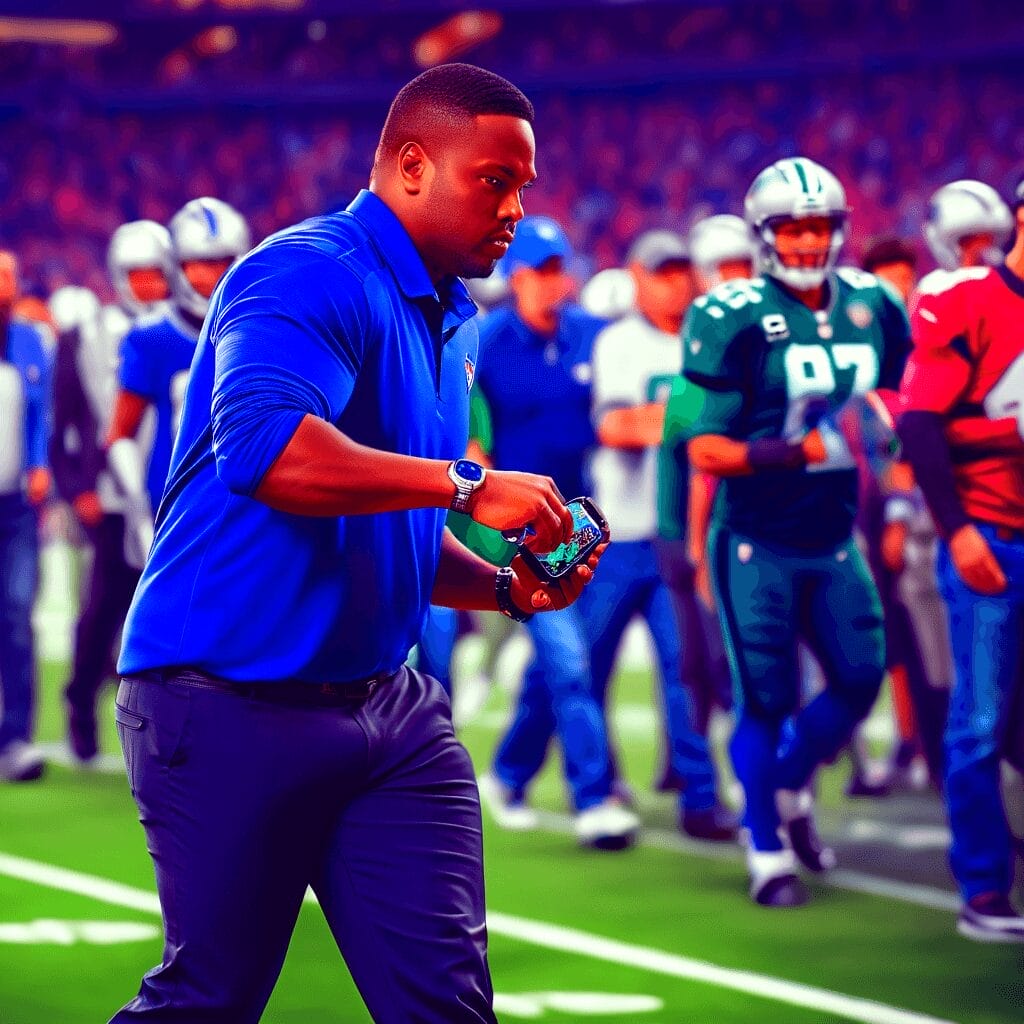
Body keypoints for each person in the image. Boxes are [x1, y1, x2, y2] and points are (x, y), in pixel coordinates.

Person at [108, 64, 607, 1023]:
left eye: (522, 187)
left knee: (448, 1009)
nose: (513, 209)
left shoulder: (452, 312)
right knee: (207, 1003)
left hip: (392, 714)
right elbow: (266, 450)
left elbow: (394, 529)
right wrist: (466, 481)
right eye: (493, 182)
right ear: (412, 166)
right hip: (225, 697)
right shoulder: (308, 268)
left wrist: (505, 588)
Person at [678, 157, 910, 906]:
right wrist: (796, 450)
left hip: (838, 534)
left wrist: (891, 456)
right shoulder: (731, 313)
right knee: (767, 698)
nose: (808, 241)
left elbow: (902, 406)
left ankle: (778, 787)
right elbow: (703, 448)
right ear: (766, 233)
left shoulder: (875, 303)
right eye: (793, 227)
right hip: (756, 538)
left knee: (859, 677)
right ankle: (767, 847)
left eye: (820, 226)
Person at [473, 215, 639, 849]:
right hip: (524, 529)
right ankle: (593, 798)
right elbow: (458, 418)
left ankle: (510, 772)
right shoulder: (484, 341)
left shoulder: (593, 336)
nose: (549, 283)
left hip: (586, 519)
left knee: (563, 664)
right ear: (514, 278)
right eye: (537, 272)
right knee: (568, 662)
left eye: (555, 270)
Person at [897, 178, 1024, 942]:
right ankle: (982, 889)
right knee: (977, 721)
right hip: (991, 535)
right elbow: (919, 426)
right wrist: (958, 530)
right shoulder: (967, 298)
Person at [586, 229, 737, 841]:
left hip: (676, 536)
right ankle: (601, 783)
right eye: (661, 271)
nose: (675, 281)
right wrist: (697, 423)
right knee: (589, 668)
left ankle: (699, 797)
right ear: (638, 277)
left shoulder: (707, 341)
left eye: (681, 270)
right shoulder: (619, 342)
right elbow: (617, 425)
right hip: (615, 532)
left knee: (684, 670)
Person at [53, 223, 174, 762]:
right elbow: (66, 423)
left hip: (173, 495)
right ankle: (81, 701)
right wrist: (79, 487)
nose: (146, 284)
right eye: (136, 274)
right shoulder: (86, 335)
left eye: (154, 272)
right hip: (112, 499)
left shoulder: (186, 327)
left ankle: (163, 723)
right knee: (102, 609)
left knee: (168, 615)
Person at [106, 199, 249, 571]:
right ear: (176, 266)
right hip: (172, 502)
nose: (213, 276)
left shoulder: (257, 327)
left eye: (222, 262)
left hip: (245, 502)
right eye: (200, 264)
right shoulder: (151, 337)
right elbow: (120, 433)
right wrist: (137, 508)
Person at [0, 251, 52, 783]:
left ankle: (15, 739)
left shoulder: (31, 341)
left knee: (16, 618)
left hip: (16, 507)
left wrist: (39, 465)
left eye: (9, 278)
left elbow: (42, 413)